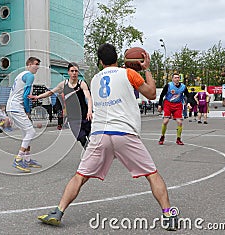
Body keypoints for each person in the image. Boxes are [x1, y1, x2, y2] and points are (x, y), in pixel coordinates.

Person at [38, 43, 178, 231]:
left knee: (80, 176)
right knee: (152, 174)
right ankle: (168, 215)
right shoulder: (128, 73)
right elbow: (152, 94)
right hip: (123, 132)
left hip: (99, 134)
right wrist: (147, 69)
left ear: (100, 61)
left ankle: (58, 211)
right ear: (118, 59)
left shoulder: (94, 79)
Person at [30, 62, 93, 149]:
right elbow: (50, 92)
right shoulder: (63, 84)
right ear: (68, 72)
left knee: (92, 139)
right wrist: (37, 97)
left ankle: (94, 154)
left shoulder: (81, 83)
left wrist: (90, 111)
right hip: (73, 118)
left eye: (76, 71)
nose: (74, 73)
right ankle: (90, 155)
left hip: (85, 116)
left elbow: (88, 98)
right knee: (82, 139)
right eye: (72, 71)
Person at [7, 56, 42, 172]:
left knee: (26, 133)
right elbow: (26, 95)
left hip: (12, 106)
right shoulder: (29, 76)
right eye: (35, 64)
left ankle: (27, 160)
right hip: (16, 107)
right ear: (29, 64)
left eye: (38, 64)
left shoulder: (20, 75)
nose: (37, 67)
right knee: (31, 132)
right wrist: (27, 110)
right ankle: (18, 159)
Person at [157, 73, 190, 146]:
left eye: (178, 77)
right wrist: (160, 105)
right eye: (175, 78)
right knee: (165, 121)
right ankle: (162, 136)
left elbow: (188, 95)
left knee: (180, 122)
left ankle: (178, 139)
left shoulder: (183, 87)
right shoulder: (168, 86)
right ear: (172, 79)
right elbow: (162, 95)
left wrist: (188, 103)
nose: (177, 79)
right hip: (168, 104)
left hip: (178, 105)